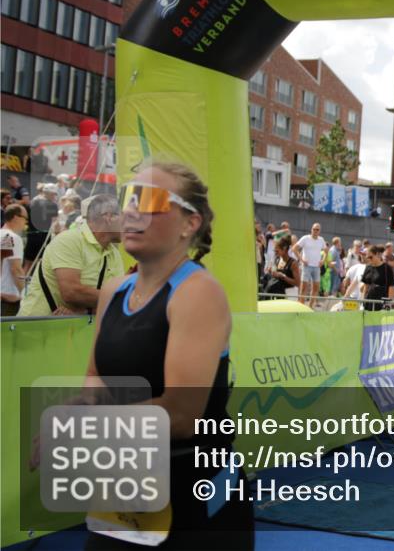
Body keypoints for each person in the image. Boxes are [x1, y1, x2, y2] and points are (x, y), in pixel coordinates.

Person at [85, 161, 253, 547]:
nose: (130, 210)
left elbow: (181, 414)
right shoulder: (113, 291)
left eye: (149, 200)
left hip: (194, 494)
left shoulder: (198, 293)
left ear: (188, 223)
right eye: (128, 197)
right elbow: (96, 373)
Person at [18, 195, 124, 316]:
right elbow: (72, 292)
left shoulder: (113, 253)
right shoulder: (69, 240)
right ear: (109, 216)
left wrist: (84, 311)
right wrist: (120, 299)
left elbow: (116, 300)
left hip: (71, 330)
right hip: (34, 330)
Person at [1, 204, 29, 315]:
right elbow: (15, 269)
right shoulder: (11, 237)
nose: (26, 222)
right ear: (16, 217)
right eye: (25, 218)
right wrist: (25, 295)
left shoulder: (3, 236)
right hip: (8, 298)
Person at [24, 182, 60, 267]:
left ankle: (23, 280)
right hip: (43, 236)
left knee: (28, 263)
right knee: (42, 263)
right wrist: (58, 235)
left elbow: (26, 218)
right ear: (49, 193)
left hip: (31, 235)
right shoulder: (52, 205)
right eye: (53, 194)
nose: (54, 197)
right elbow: (55, 223)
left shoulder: (31, 203)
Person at [292, 223, 327, 308]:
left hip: (316, 267)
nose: (315, 231)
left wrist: (323, 260)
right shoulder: (305, 238)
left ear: (319, 231)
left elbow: (326, 251)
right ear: (311, 229)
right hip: (306, 266)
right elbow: (294, 249)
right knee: (304, 288)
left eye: (317, 229)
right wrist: (302, 260)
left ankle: (310, 307)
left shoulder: (321, 240)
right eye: (314, 229)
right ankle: (301, 307)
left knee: (316, 288)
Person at [361, 245, 394, 311]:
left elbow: (391, 287)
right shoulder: (368, 267)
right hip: (368, 302)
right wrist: (362, 301)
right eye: (368, 257)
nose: (369, 259)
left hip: (381, 303)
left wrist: (388, 304)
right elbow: (365, 286)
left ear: (376, 254)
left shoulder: (387, 268)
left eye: (371, 257)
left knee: (377, 321)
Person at [269, 235, 300, 300]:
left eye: (277, 251)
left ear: (285, 249)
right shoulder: (277, 259)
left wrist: (283, 276)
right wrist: (271, 272)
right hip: (277, 294)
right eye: (274, 251)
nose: (275, 253)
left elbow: (297, 283)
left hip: (289, 295)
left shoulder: (293, 263)